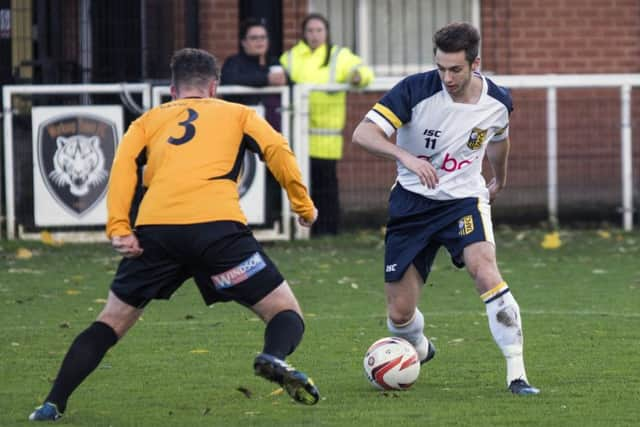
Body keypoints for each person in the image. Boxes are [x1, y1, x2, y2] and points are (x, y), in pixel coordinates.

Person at [28, 47, 320, 422]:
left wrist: (119, 226)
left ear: (172, 90)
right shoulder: (239, 114)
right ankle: (273, 356)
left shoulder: (147, 122)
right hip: (219, 233)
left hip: (157, 234)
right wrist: (302, 205)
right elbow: (277, 149)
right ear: (214, 86)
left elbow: (121, 169)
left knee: (111, 321)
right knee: (284, 311)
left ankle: (52, 404)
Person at [352, 22, 540, 395]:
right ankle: (420, 348)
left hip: (463, 202)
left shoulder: (497, 102)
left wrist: (499, 178)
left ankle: (517, 374)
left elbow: (499, 141)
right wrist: (406, 156)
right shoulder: (414, 90)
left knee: (484, 270)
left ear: (475, 64)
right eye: (441, 68)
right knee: (399, 315)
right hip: (411, 204)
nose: (447, 77)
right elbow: (363, 134)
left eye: (455, 69)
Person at [280, 13, 374, 235]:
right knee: (300, 187)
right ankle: (301, 232)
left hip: (326, 138)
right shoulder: (291, 57)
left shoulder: (338, 56)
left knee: (326, 188)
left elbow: (363, 71)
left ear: (326, 33)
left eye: (319, 30)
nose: (314, 35)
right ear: (304, 33)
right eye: (310, 31)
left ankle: (328, 231)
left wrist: (357, 77)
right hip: (296, 136)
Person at [221, 18, 289, 230]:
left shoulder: (275, 62)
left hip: (273, 131)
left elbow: (290, 82)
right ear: (244, 42)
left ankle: (271, 221)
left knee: (273, 177)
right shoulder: (234, 62)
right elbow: (231, 79)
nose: (259, 42)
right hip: (243, 134)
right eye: (254, 38)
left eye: (262, 37)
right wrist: (266, 79)